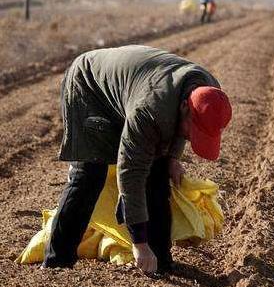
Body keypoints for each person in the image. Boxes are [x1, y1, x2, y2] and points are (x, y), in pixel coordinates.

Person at [42, 45, 232, 274]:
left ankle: (161, 260)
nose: (192, 139)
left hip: (135, 88)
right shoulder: (151, 110)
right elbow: (130, 175)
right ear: (184, 107)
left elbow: (183, 126)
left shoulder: (209, 93)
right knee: (90, 175)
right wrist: (139, 245)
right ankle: (57, 261)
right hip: (89, 86)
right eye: (193, 133)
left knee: (159, 171)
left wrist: (172, 157)